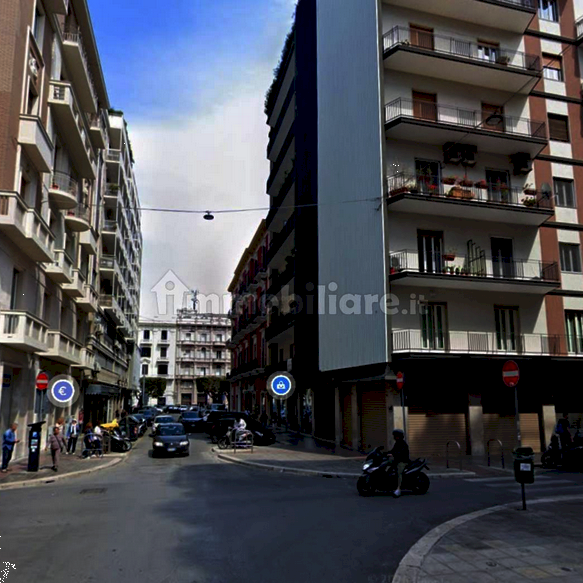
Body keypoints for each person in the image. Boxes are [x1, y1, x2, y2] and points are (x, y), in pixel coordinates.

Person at [389, 429, 410, 498]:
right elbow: (393, 450)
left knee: (399, 472)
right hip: (397, 460)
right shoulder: (397, 443)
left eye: (396, 436)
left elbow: (401, 453)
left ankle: (398, 489)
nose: (394, 437)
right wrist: (385, 453)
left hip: (402, 461)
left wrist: (393, 454)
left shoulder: (403, 444)